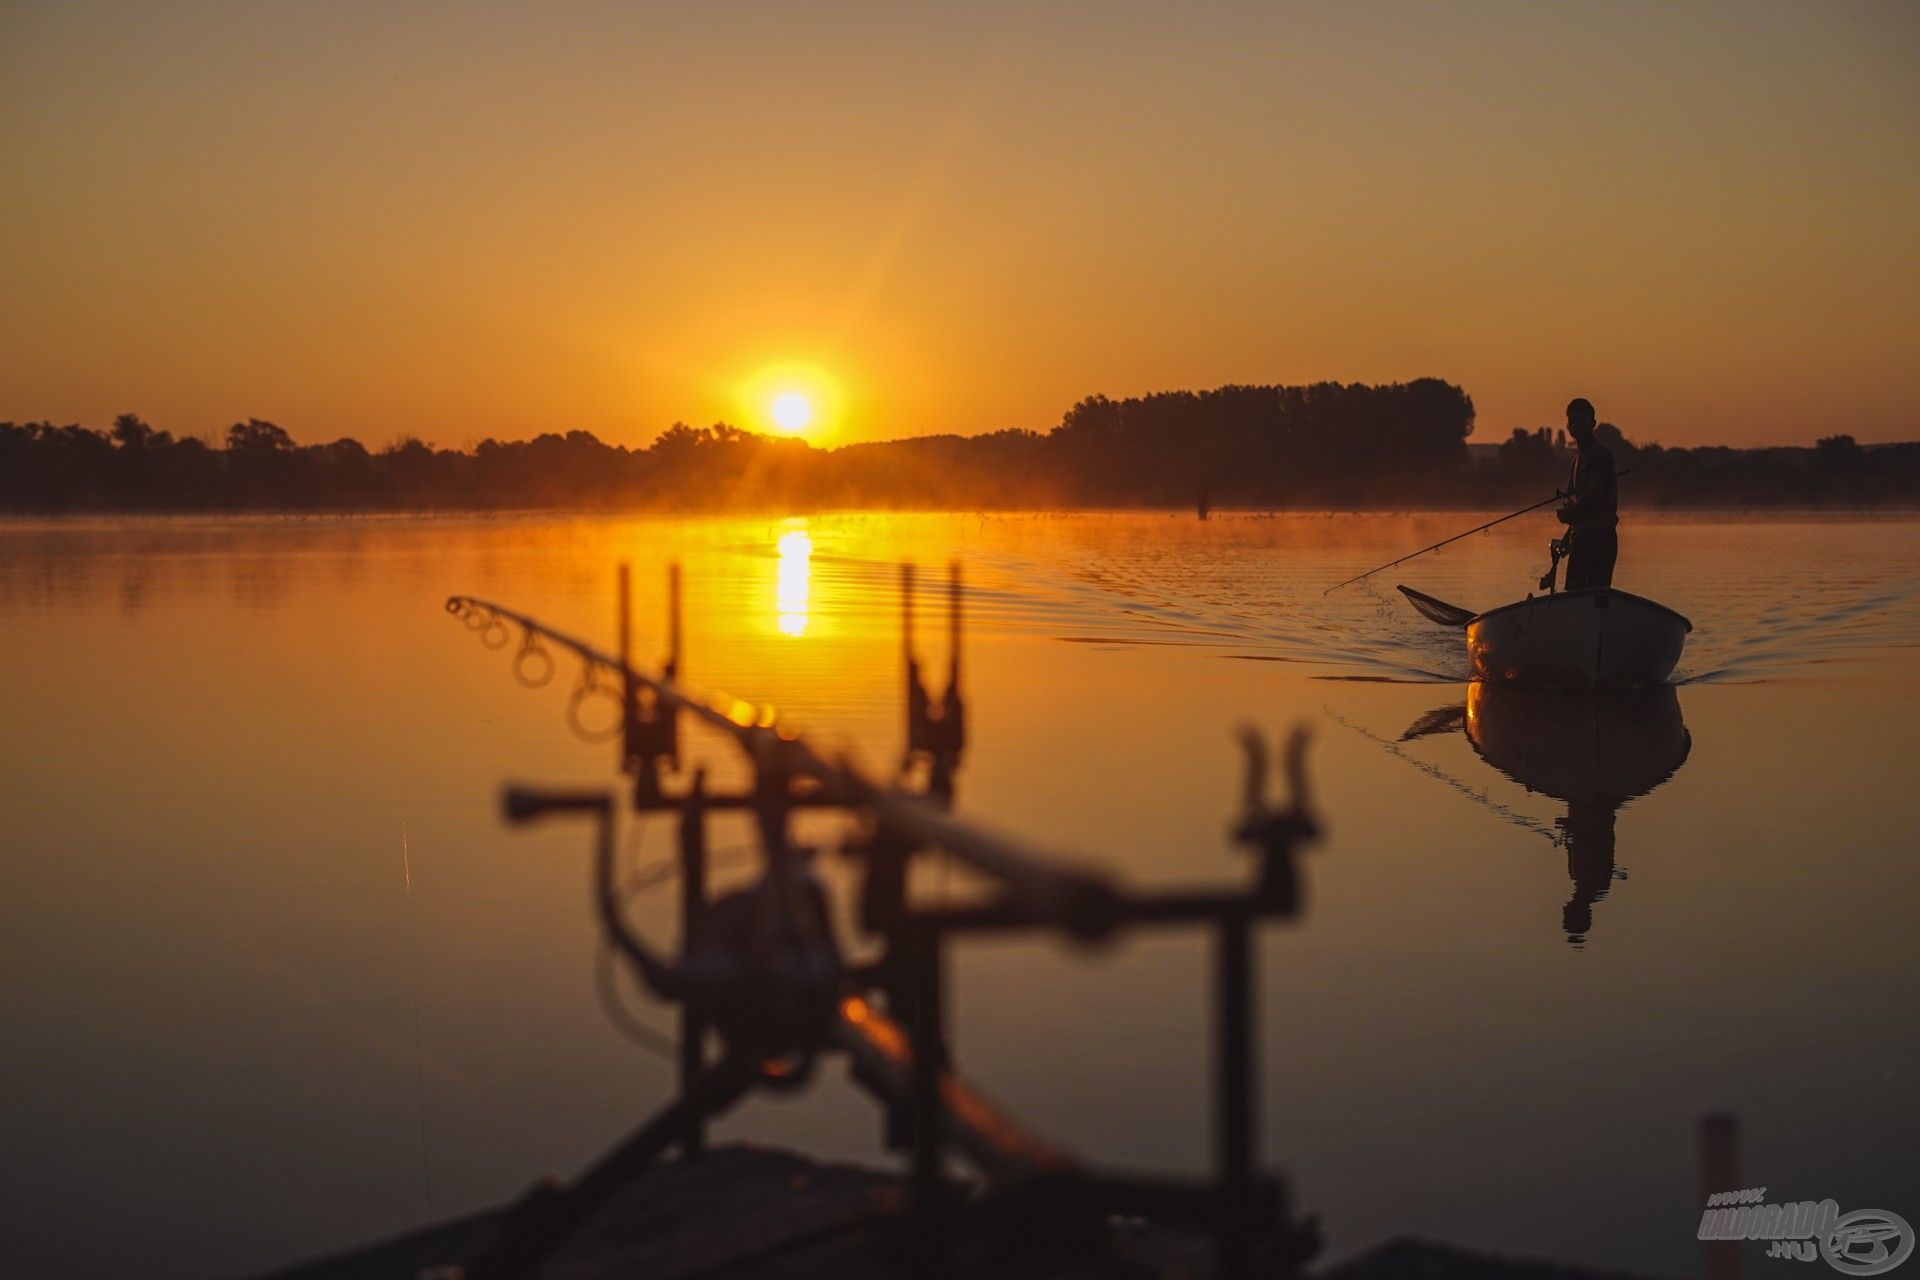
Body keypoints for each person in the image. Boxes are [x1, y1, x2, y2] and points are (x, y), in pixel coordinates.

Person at [1556, 397, 1617, 590]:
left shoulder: (1600, 454)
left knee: (1593, 596)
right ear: (1567, 425)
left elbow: (1595, 494)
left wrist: (1569, 514)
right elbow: (1576, 500)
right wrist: (1567, 537)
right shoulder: (1575, 460)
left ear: (1592, 423)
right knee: (1575, 594)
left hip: (1600, 537)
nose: (1576, 425)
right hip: (1580, 538)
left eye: (1581, 420)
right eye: (1572, 421)